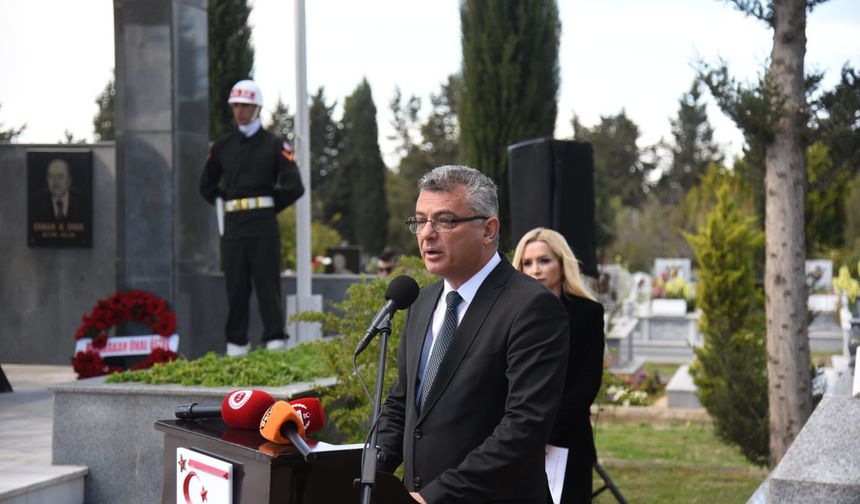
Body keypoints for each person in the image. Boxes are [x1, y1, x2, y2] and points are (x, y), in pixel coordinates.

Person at [376, 165, 570, 503]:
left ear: (488, 229)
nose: (427, 234)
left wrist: (435, 496)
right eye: (420, 221)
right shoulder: (420, 303)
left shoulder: (532, 307)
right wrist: (365, 472)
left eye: (445, 220)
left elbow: (524, 427)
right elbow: (402, 405)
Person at [199, 79, 304, 357]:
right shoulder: (222, 147)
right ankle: (236, 346)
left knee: (267, 286)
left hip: (263, 226)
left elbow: (295, 186)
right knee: (235, 287)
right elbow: (206, 185)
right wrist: (224, 199)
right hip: (234, 228)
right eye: (236, 106)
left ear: (257, 108)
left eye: (245, 105)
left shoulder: (274, 144)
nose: (240, 111)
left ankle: (275, 343)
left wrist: (268, 207)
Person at [512, 228, 605, 504]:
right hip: (514, 442)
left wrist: (544, 431)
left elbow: (588, 382)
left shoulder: (588, 313)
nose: (535, 270)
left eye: (544, 260)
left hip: (567, 440)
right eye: (527, 263)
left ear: (562, 263)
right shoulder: (510, 314)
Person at [32, 158, 85, 224]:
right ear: (47, 180)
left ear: (69, 180)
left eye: (60, 176)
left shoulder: (83, 202)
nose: (55, 183)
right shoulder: (35, 204)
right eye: (51, 177)